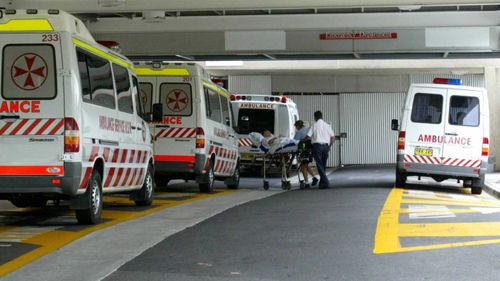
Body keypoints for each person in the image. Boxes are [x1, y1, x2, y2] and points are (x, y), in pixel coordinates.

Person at [307, 111, 335, 189]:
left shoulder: (314, 125)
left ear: (315, 117)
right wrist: (329, 146)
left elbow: (308, 136)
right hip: (326, 147)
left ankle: (326, 182)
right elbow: (333, 138)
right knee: (323, 165)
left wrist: (306, 138)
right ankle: (322, 184)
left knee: (319, 165)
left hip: (317, 146)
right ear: (322, 116)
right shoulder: (327, 126)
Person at [294, 120, 318, 188]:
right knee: (305, 164)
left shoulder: (299, 132)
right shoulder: (309, 129)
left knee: (303, 166)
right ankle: (314, 177)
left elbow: (295, 141)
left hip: (304, 150)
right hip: (311, 150)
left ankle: (307, 183)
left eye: (296, 127)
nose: (296, 128)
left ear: (298, 126)